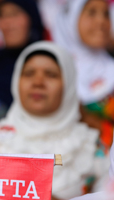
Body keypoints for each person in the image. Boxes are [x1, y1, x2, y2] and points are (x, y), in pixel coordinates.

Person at [0, 41, 101, 199]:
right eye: (29, 73)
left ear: (69, 85)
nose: (38, 83)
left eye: (51, 75)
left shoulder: (90, 146)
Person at [53, 0, 114, 150]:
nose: (101, 21)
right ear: (70, 19)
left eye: (106, 14)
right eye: (91, 12)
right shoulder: (50, 73)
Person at [0, 0, 45, 118]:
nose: (7, 23)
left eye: (14, 14)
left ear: (32, 18)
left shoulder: (48, 62)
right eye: (2, 15)